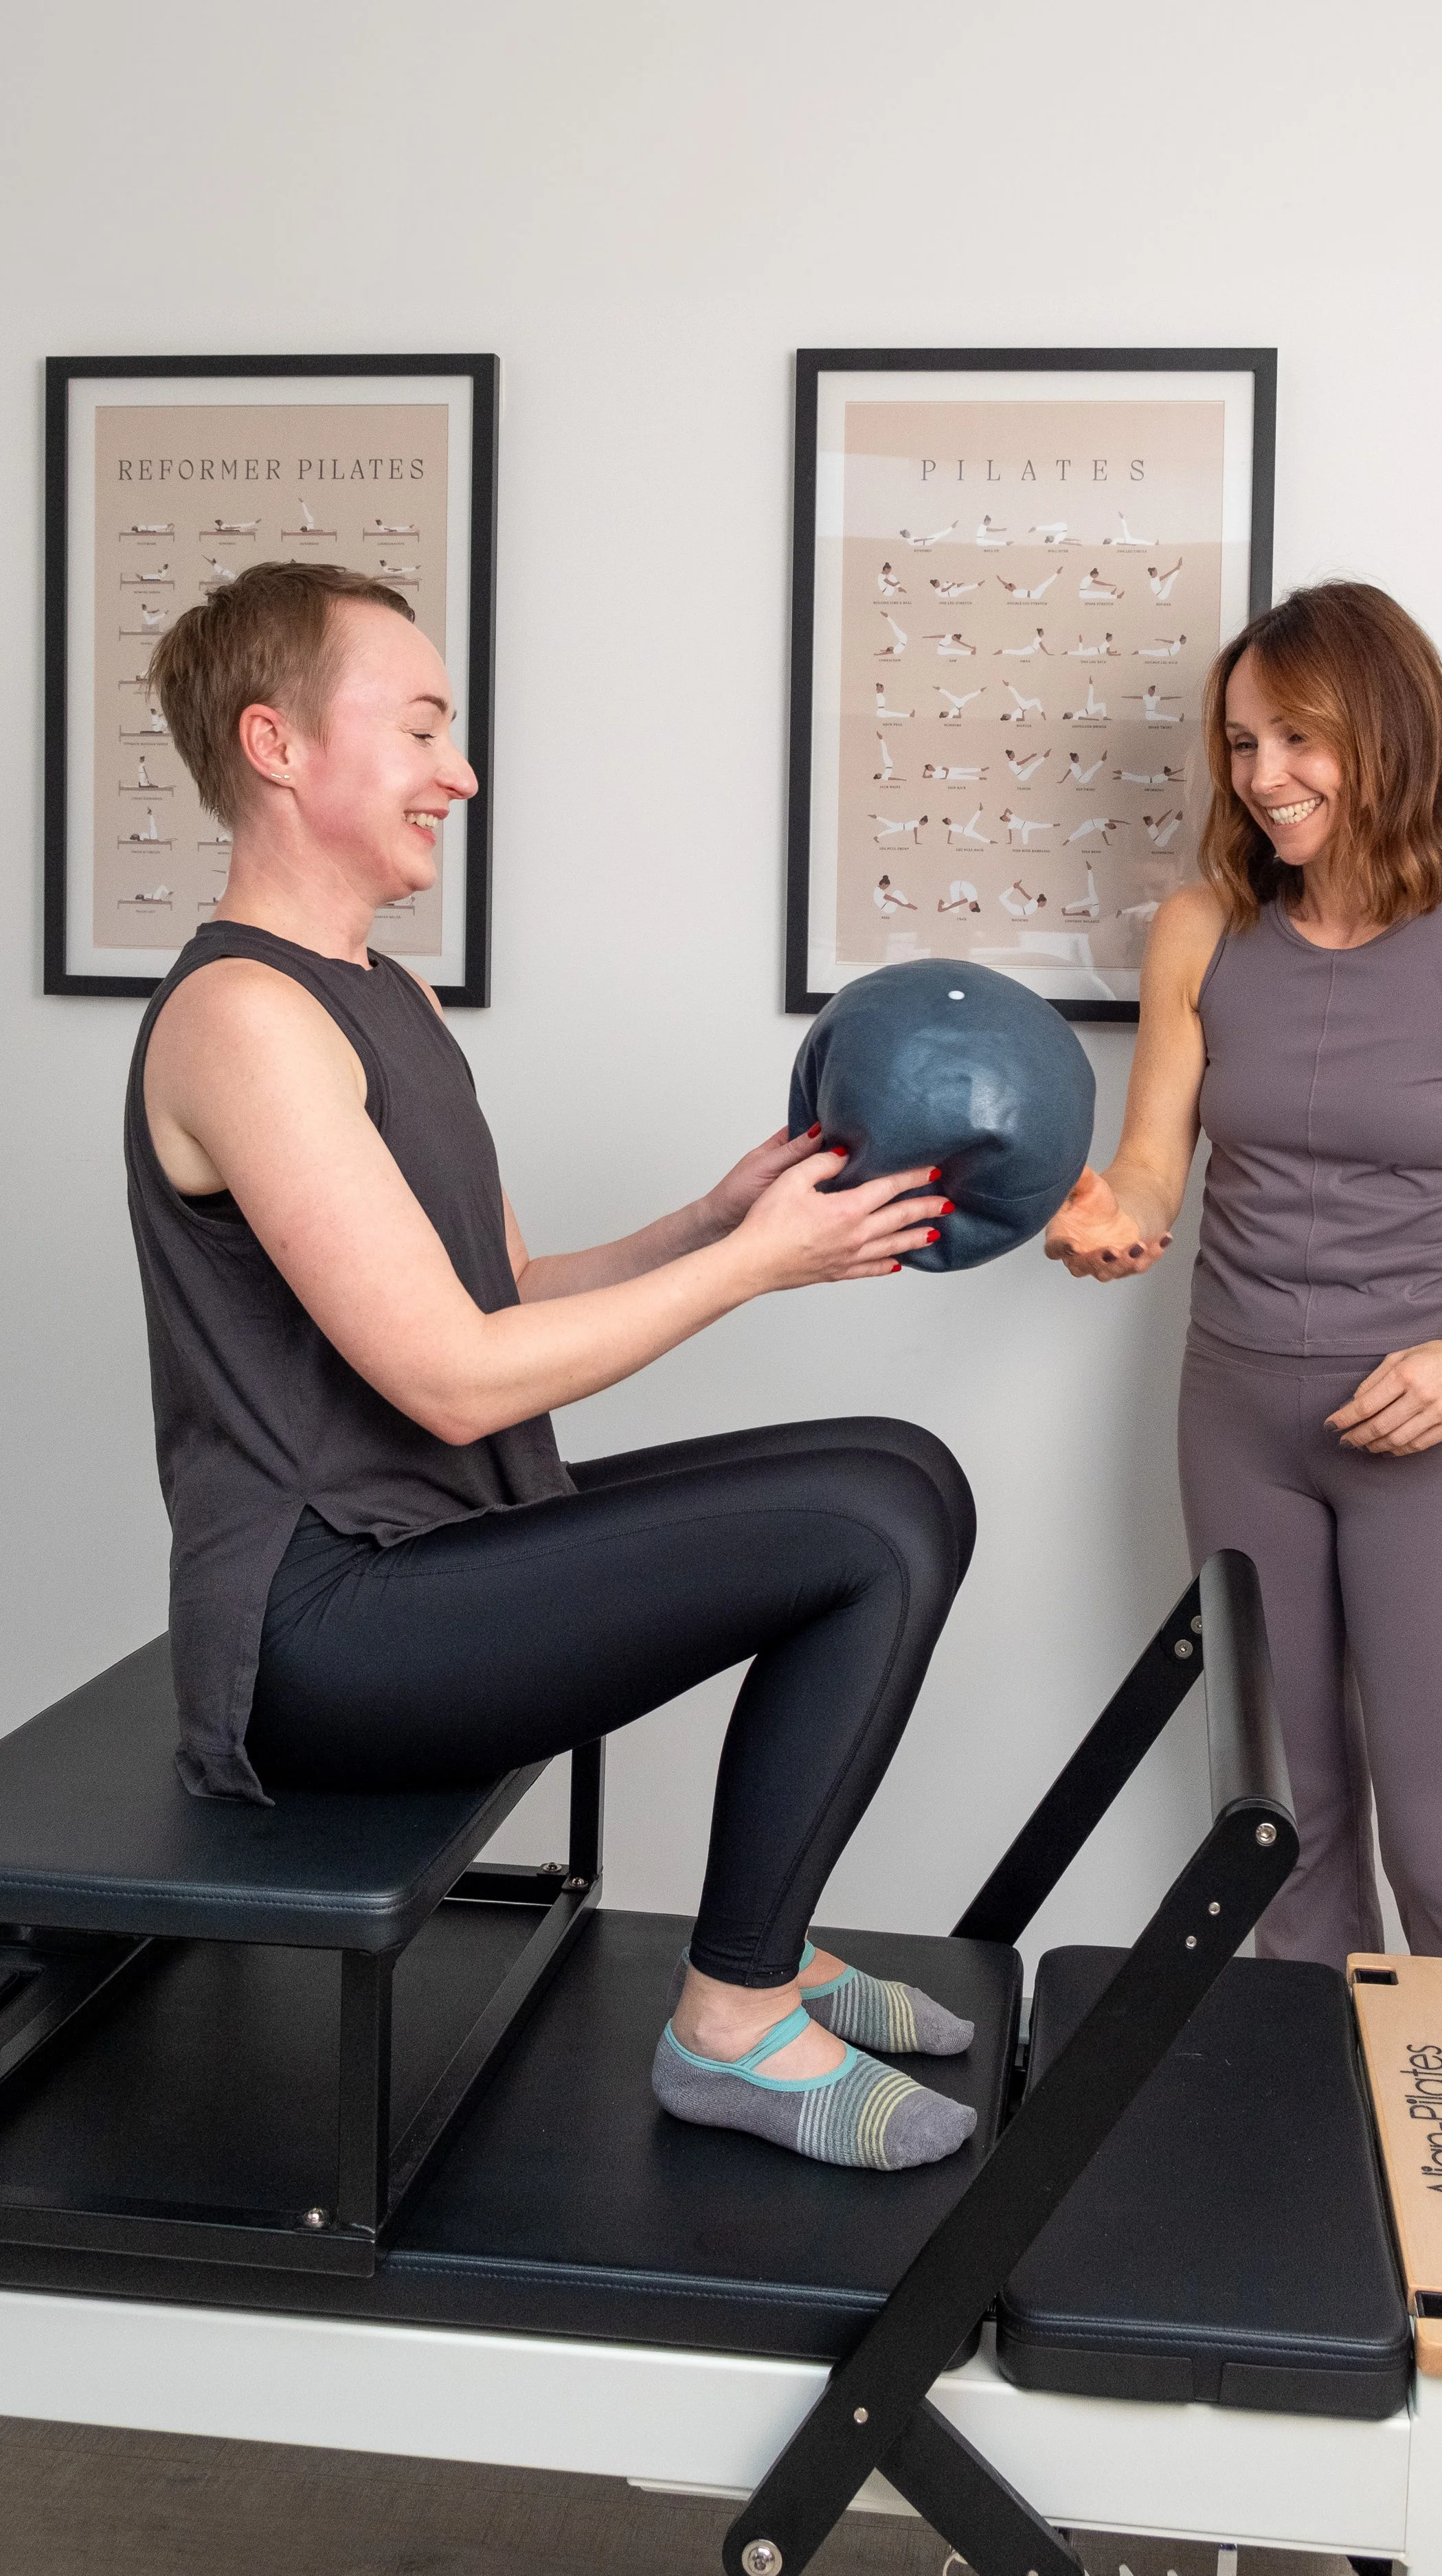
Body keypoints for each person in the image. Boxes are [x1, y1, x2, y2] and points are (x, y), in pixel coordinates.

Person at [129, 563, 977, 2176]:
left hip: (436, 1555)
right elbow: (458, 1381)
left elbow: (498, 1291)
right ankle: (728, 2027)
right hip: (328, 1632)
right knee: (863, 1531)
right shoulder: (241, 1018)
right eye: (424, 728)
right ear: (277, 744)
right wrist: (754, 1266)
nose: (460, 771)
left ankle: (765, 1956)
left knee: (904, 1475)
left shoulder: (383, 994)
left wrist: (705, 1223)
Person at [1045, 580, 1442, 2280]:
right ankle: (1332, 2223)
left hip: (1430, 1446)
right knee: (1285, 1837)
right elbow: (1158, 1157)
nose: (1262, 774)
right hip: (1235, 1416)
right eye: (1240, 742)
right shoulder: (1199, 933)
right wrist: (1118, 1215)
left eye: (1296, 737)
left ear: (1383, 734)